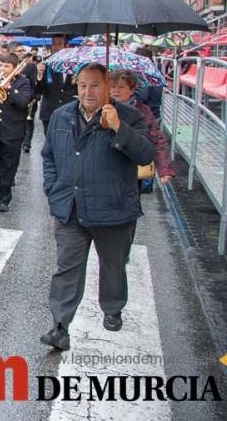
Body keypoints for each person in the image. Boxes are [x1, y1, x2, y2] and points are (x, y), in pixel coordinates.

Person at [39, 64, 155, 351]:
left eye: (94, 86)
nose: (87, 92)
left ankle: (112, 307)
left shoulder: (129, 116)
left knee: (113, 265)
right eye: (82, 85)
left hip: (113, 209)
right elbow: (49, 155)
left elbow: (146, 154)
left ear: (107, 87)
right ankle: (60, 326)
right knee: (66, 268)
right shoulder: (61, 115)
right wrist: (53, 188)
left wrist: (118, 127)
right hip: (71, 207)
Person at [0, 52, 32, 212]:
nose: (3, 69)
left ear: (15, 68)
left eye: (7, 66)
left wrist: (9, 88)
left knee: (8, 166)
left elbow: (23, 102)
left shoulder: (23, 83)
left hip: (12, 130)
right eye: (1, 65)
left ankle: (4, 198)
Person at [109, 70, 174, 187]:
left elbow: (157, 139)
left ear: (132, 89)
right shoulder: (102, 108)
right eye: (112, 86)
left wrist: (164, 169)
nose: (115, 91)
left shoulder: (142, 111)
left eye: (121, 87)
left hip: (132, 166)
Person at [36, 35, 77, 135]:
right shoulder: (45, 62)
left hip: (69, 110)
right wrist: (39, 76)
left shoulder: (75, 62)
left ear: (66, 45)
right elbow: (38, 90)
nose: (55, 47)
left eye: (59, 44)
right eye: (53, 44)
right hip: (50, 110)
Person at [8, 43, 39, 153]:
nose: (22, 53)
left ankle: (26, 143)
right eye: (19, 51)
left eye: (23, 51)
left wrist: (32, 97)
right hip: (9, 98)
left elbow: (33, 82)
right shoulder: (4, 63)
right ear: (11, 52)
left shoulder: (29, 66)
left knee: (28, 122)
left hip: (27, 97)